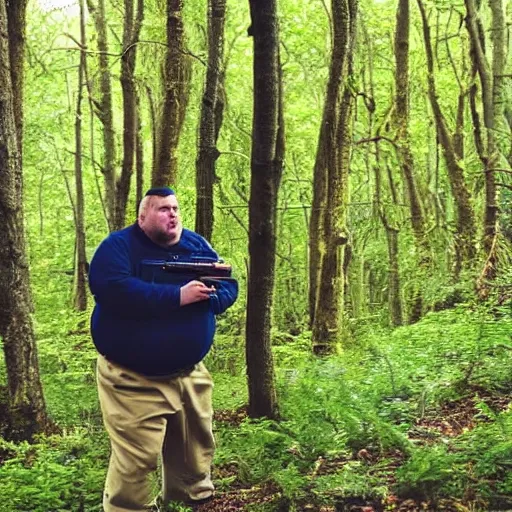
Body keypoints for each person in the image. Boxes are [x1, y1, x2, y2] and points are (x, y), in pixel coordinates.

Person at [88, 186, 238, 512]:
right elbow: (111, 288)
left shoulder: (196, 245)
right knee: (137, 460)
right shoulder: (119, 247)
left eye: (175, 208)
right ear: (142, 217)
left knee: (194, 455)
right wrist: (176, 296)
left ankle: (190, 504)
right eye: (162, 209)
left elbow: (228, 283)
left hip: (190, 373)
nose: (172, 214)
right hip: (132, 378)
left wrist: (213, 298)